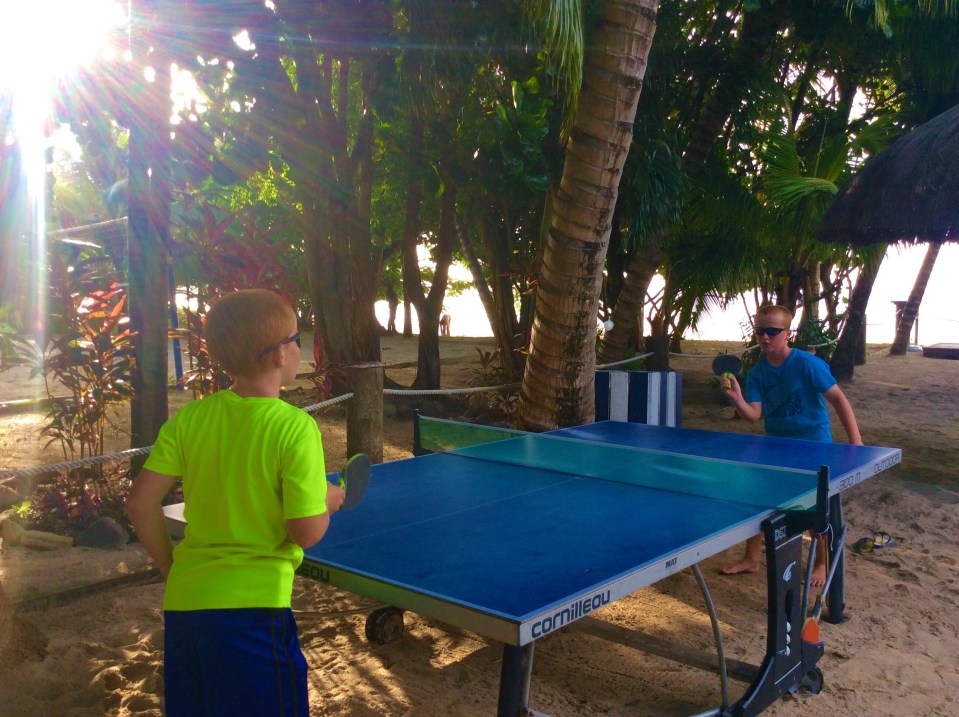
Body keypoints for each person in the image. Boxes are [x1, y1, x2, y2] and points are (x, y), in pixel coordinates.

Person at [126, 289, 345, 717]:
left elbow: (139, 503)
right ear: (281, 355)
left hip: (186, 608)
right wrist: (328, 498)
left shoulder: (190, 419)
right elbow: (307, 530)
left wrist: (172, 568)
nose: (300, 347)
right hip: (254, 612)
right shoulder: (295, 427)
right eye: (296, 338)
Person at [720, 304, 862, 587]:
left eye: (772, 331)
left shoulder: (808, 364)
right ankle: (752, 558)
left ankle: (820, 563)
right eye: (760, 331)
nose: (765, 337)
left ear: (788, 333)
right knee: (758, 500)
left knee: (813, 509)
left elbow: (838, 399)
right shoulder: (758, 373)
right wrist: (737, 399)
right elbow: (755, 416)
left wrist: (856, 442)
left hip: (814, 445)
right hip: (776, 446)